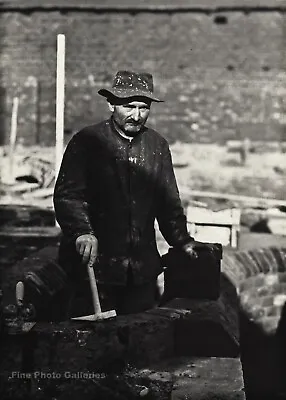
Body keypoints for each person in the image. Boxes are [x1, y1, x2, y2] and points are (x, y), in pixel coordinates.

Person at [54, 70, 206, 316]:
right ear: (111, 104)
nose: (136, 116)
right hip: (95, 268)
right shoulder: (87, 141)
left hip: (141, 271)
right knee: (94, 343)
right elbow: (68, 196)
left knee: (139, 337)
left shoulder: (157, 146)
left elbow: (168, 203)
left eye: (143, 108)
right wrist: (81, 231)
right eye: (129, 107)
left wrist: (182, 240)